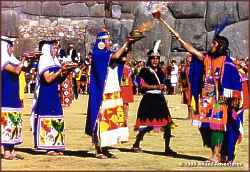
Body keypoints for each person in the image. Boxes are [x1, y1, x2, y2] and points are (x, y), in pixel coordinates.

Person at [171, 21, 244, 162]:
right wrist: (179, 39)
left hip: (220, 100)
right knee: (205, 127)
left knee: (217, 127)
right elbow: (192, 50)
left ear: (219, 46)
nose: (210, 46)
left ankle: (217, 155)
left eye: (213, 44)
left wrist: (233, 101)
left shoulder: (227, 63)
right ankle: (218, 153)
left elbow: (235, 83)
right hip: (205, 100)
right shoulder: (207, 59)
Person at [85, 28, 137, 159]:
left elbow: (122, 57)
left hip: (112, 91)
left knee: (110, 121)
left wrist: (130, 44)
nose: (109, 42)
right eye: (107, 40)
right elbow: (115, 57)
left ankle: (106, 148)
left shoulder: (108, 53)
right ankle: (98, 149)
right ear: (101, 42)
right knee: (101, 120)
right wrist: (126, 42)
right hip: (101, 92)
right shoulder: (98, 54)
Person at [131, 40, 177, 156]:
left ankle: (167, 148)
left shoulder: (161, 71)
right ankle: (136, 143)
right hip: (148, 100)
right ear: (149, 59)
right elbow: (142, 85)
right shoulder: (144, 71)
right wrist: (156, 86)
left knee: (167, 124)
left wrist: (164, 87)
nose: (155, 60)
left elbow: (164, 83)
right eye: (153, 58)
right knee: (147, 125)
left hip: (160, 100)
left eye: (157, 58)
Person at [31, 40, 68, 155]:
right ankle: (47, 146)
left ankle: (56, 145)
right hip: (45, 94)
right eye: (54, 48)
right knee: (47, 117)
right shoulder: (44, 61)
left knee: (56, 116)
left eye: (57, 48)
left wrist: (66, 72)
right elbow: (47, 79)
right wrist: (60, 71)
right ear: (49, 49)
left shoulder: (55, 61)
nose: (56, 50)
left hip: (54, 94)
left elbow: (58, 80)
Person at [1, 36, 25, 160]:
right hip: (6, 95)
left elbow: (20, 68)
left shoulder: (11, 60)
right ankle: (6, 151)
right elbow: (16, 70)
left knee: (14, 121)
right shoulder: (4, 62)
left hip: (14, 94)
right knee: (7, 122)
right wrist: (25, 59)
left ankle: (12, 150)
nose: (12, 49)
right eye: (10, 47)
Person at [120, 53, 134, 127]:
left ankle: (125, 119)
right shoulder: (119, 67)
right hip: (121, 86)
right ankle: (122, 118)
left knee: (126, 104)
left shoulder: (129, 67)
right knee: (122, 103)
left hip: (127, 86)